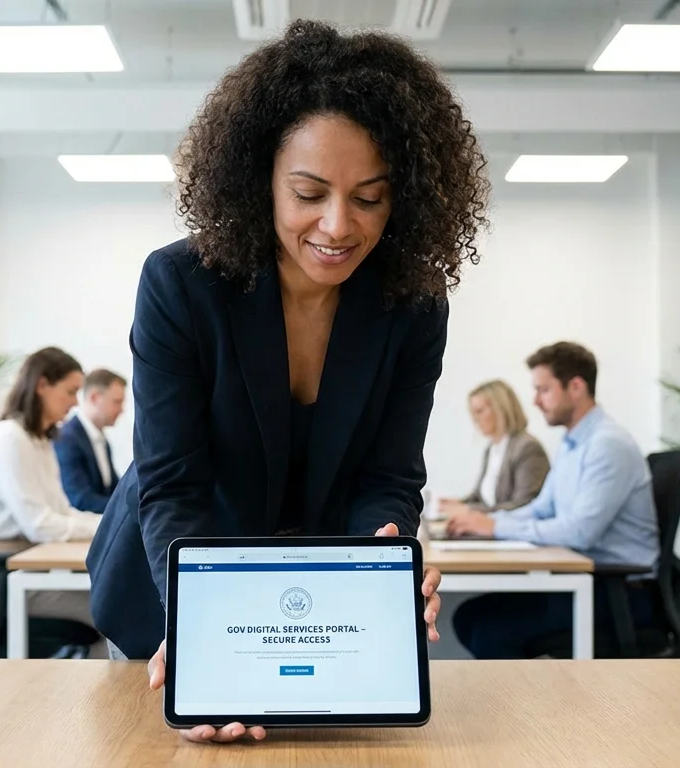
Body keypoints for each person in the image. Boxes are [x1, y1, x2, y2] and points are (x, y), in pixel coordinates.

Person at [86, 19, 491, 742]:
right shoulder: (180, 286)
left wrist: (385, 555)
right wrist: (204, 641)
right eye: (308, 192)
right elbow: (173, 484)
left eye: (370, 198)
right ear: (259, 181)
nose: (338, 225)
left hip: (317, 612)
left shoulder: (413, 306)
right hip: (174, 590)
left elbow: (388, 476)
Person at [445, 342, 659, 659]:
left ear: (575, 387)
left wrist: (493, 527)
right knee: (467, 617)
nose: (534, 400)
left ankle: (525, 708)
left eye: (543, 389)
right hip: (587, 576)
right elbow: (541, 509)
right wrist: (490, 525)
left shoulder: (606, 445)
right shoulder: (572, 444)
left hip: (621, 591)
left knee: (489, 631)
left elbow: (580, 532)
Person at [0, 347, 104, 655]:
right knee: (113, 608)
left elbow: (60, 512)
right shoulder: (9, 439)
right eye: (70, 391)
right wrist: (103, 528)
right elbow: (41, 526)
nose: (75, 402)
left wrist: (105, 525)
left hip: (27, 568)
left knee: (114, 602)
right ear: (42, 385)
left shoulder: (39, 441)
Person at [438, 380, 549, 520]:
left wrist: (469, 510)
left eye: (479, 411)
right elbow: (480, 497)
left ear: (501, 409)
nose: (475, 419)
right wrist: (457, 504)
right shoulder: (492, 449)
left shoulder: (528, 448)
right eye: (472, 413)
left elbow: (524, 505)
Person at [55, 368, 126, 513]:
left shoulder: (102, 441)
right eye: (117, 402)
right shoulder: (66, 438)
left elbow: (115, 491)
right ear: (94, 398)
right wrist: (126, 510)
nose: (121, 409)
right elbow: (79, 499)